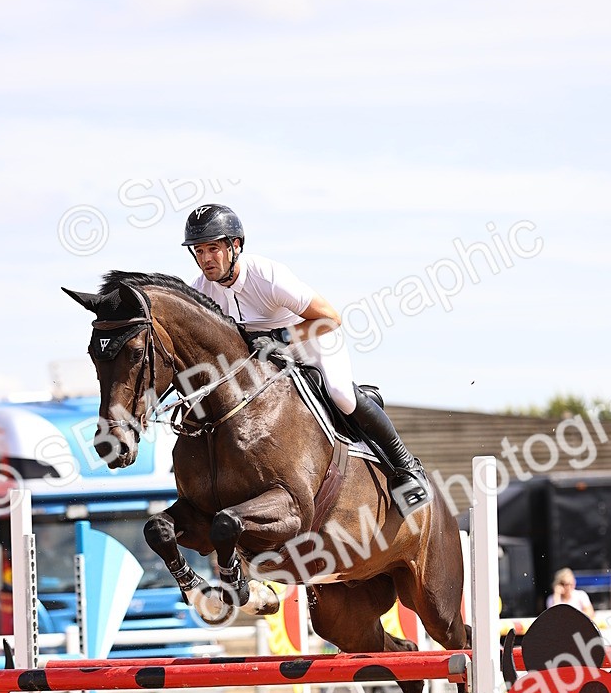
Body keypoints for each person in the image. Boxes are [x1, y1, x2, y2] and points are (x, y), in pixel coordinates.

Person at [181, 204, 430, 510]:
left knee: (341, 396)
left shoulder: (267, 276)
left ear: (235, 246)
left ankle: (407, 467)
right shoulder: (200, 291)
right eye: (199, 250)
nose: (205, 259)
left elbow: (329, 317)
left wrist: (279, 339)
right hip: (261, 359)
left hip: (310, 339)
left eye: (213, 248)